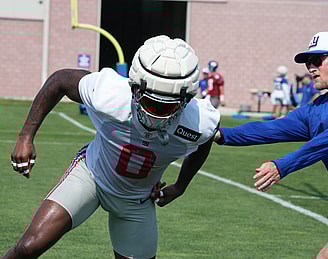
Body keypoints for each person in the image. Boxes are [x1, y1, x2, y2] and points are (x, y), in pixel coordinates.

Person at [4, 35, 220, 259]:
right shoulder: (109, 94)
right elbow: (60, 80)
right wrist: (26, 136)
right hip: (91, 177)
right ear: (134, 88)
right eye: (150, 102)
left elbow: (204, 141)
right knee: (29, 247)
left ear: (186, 100)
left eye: (166, 106)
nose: (154, 114)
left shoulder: (199, 122)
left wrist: (180, 186)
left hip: (136, 200)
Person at [214, 31, 328, 258]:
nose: (311, 67)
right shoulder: (316, 109)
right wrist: (218, 134)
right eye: (307, 63)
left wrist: (281, 166)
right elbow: (271, 129)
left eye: (318, 60)